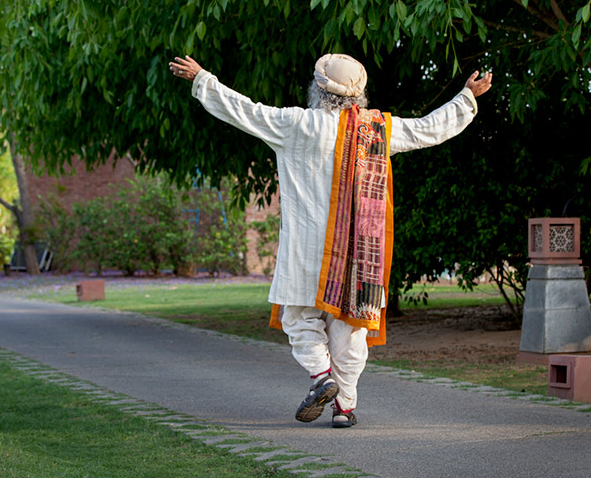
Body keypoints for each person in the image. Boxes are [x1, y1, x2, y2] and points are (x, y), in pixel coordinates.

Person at [169, 53, 492, 428]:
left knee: (299, 319)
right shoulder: (378, 129)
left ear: (319, 89)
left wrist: (202, 78)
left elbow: (243, 110)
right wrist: (466, 97)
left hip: (306, 250)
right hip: (359, 253)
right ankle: (345, 409)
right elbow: (428, 129)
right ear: (359, 95)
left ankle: (321, 377)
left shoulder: (295, 123)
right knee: (349, 329)